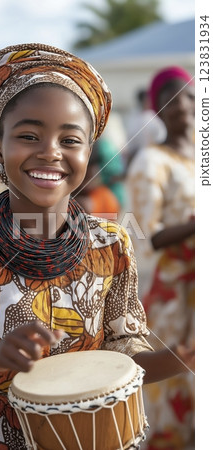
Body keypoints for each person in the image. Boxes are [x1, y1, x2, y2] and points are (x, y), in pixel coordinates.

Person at [0, 44, 194, 449]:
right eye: (29, 135)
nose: (50, 152)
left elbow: (122, 364)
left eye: (70, 140)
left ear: (89, 153)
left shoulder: (111, 244)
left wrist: (181, 358)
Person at [126, 66, 195, 449]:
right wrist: (195, 226)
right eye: (171, 98)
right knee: (174, 383)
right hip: (173, 293)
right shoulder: (151, 162)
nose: (182, 106)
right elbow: (143, 234)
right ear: (157, 109)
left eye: (188, 95)